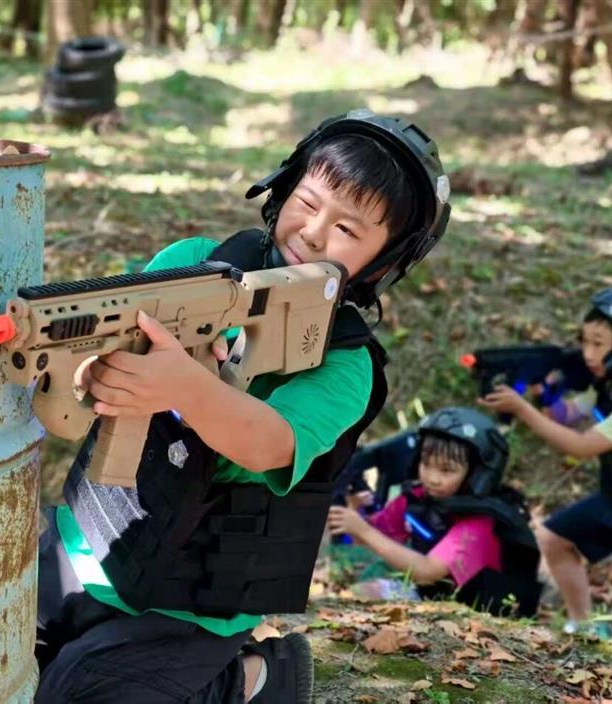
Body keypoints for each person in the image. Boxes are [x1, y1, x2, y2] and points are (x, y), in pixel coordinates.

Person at [33, 109, 451, 703]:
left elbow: (270, 443)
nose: (312, 231)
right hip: (89, 541)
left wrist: (184, 387)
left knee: (78, 694)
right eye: (308, 202)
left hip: (192, 606)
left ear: (383, 264)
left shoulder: (345, 361)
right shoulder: (196, 260)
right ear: (282, 189)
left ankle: (255, 678)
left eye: (348, 230)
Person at [479, 288, 612, 639]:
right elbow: (568, 415)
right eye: (585, 342)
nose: (588, 353)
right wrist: (548, 393)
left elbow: (582, 446)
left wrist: (521, 409)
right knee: (554, 539)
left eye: (600, 344)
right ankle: (583, 626)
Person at [327, 407, 542, 616]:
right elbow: (375, 537)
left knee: (360, 595)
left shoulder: (478, 522)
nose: (432, 478)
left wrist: (362, 530)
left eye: (447, 470)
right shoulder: (418, 497)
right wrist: (354, 512)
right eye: (426, 464)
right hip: (432, 594)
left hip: (470, 609)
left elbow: (427, 572)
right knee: (349, 585)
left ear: (477, 474)